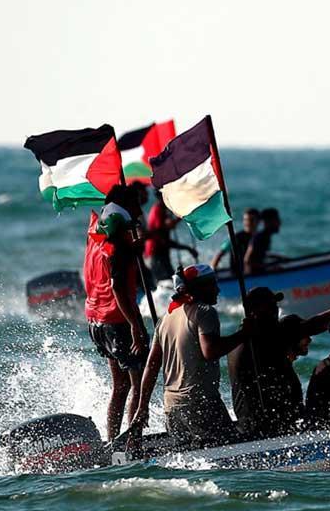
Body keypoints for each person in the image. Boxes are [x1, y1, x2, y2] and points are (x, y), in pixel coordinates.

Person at [132, 264, 246, 451]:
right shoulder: (204, 312)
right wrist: (244, 333)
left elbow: (151, 366)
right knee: (232, 455)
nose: (217, 289)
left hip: (172, 409)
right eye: (212, 285)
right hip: (200, 404)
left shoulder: (165, 319)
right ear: (198, 288)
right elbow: (210, 351)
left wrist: (142, 407)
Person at [228, 287, 330, 439]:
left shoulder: (240, 339)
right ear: (256, 311)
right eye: (271, 306)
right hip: (272, 429)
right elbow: (311, 326)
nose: (276, 310)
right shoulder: (262, 337)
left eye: (275, 305)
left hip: (253, 426)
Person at [83, 184, 148, 443]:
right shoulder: (119, 247)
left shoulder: (96, 236)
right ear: (123, 210)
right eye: (136, 206)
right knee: (138, 386)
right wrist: (136, 325)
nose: (141, 213)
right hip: (119, 321)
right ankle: (132, 443)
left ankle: (113, 441)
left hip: (96, 322)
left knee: (120, 386)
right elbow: (118, 286)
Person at [144, 193, 199, 282]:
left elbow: (167, 228)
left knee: (171, 280)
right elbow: (163, 235)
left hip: (161, 252)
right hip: (156, 253)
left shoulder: (162, 210)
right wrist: (187, 248)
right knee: (168, 282)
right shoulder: (158, 210)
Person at [210, 207, 260, 272]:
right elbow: (219, 254)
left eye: (251, 220)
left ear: (258, 221)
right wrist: (213, 270)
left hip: (254, 272)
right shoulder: (237, 237)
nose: (248, 223)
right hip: (238, 274)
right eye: (245, 220)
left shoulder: (260, 237)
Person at [244, 207, 280, 275]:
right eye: (277, 220)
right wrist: (269, 268)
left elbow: (259, 256)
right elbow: (247, 260)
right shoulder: (260, 238)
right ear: (269, 222)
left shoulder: (265, 237)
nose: (279, 223)